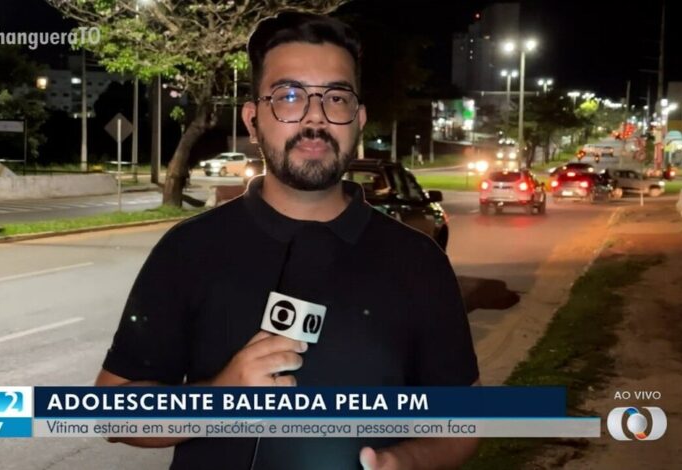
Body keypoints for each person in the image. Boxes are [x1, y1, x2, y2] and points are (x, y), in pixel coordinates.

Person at [97, 11, 480, 470]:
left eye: (335, 98)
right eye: (290, 95)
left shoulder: (419, 261)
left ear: (358, 120)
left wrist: (404, 462)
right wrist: (219, 398)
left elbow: (463, 419)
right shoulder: (188, 250)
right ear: (253, 119)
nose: (314, 118)